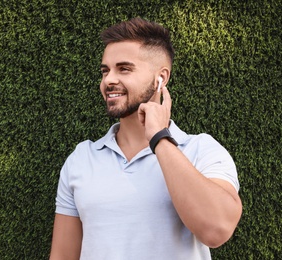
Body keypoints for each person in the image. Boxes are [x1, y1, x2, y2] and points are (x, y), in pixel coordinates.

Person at [50, 17, 242, 260]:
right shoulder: (81, 158)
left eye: (124, 68)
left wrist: (160, 139)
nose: (108, 80)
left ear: (160, 78)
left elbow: (216, 230)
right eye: (105, 70)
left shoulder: (201, 150)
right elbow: (63, 256)